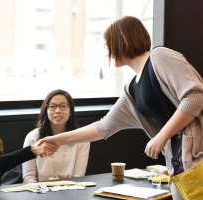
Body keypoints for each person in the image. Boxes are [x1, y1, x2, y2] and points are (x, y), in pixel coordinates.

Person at [39, 16, 203, 200]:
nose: (108, 51)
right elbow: (104, 127)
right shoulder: (132, 88)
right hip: (180, 164)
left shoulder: (160, 57)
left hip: (197, 157)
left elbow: (195, 96)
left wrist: (161, 136)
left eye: (108, 44)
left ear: (123, 38)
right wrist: (58, 140)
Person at [22, 89, 90, 183]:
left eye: (63, 106)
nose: (58, 110)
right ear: (46, 110)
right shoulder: (32, 137)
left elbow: (78, 176)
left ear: (70, 111)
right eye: (52, 106)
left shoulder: (81, 138)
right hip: (40, 193)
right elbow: (28, 177)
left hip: (71, 192)